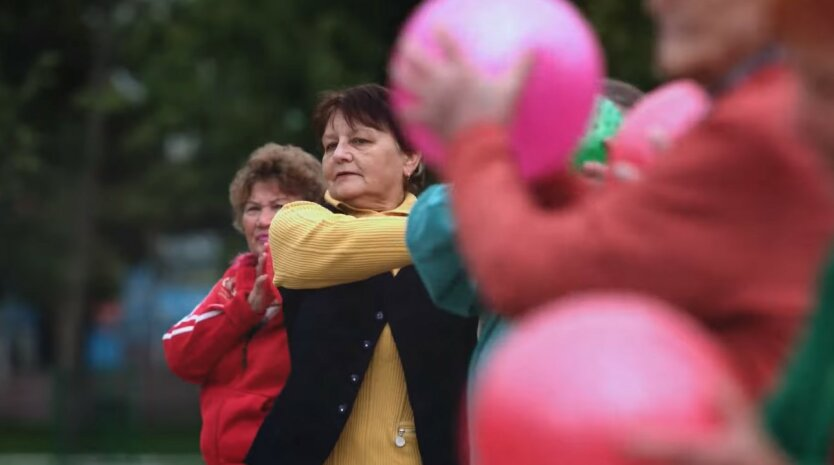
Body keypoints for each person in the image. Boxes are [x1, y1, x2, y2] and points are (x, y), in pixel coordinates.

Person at [390, 0, 834, 402]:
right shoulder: (760, 113)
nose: (656, 5)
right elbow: (618, 271)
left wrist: (476, 136)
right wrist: (541, 169)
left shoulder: (757, 128)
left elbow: (522, 275)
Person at [246, 84, 477, 465]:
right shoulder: (297, 222)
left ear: (410, 157)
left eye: (361, 140)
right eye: (329, 144)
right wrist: (464, 217)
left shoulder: (460, 237)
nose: (340, 154)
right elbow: (334, 245)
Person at [163, 143, 325, 465]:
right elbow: (180, 355)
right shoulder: (239, 278)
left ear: (311, 212)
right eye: (253, 209)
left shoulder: (322, 279)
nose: (264, 220)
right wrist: (244, 312)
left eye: (279, 206)